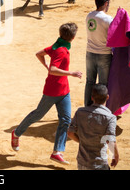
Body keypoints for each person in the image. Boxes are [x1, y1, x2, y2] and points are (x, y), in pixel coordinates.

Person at [11, 22, 82, 165]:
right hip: (52, 91)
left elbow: (39, 54)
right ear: (72, 37)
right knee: (37, 115)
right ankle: (16, 133)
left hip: (64, 91)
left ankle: (57, 152)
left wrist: (45, 65)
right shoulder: (61, 50)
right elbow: (53, 69)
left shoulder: (57, 45)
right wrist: (71, 73)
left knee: (66, 120)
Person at [68, 84, 119, 170]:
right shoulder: (110, 118)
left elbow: (70, 133)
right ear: (107, 97)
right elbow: (110, 140)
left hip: (82, 163)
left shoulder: (80, 112)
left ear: (92, 98)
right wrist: (116, 155)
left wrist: (82, 141)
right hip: (99, 164)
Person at [85, 0, 113, 106]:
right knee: (103, 84)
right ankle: (100, 108)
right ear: (106, 3)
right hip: (104, 55)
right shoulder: (108, 19)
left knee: (89, 82)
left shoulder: (89, 16)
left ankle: (87, 106)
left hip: (90, 53)